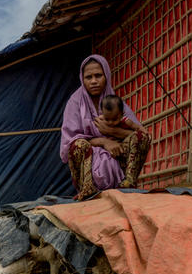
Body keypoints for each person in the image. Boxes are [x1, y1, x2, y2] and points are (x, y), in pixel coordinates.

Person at [60, 54, 152, 200]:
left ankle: (127, 184)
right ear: (82, 79)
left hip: (117, 155)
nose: (94, 81)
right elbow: (69, 141)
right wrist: (104, 142)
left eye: (98, 75)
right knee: (78, 145)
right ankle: (88, 189)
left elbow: (141, 132)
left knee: (142, 138)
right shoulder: (75, 102)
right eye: (88, 77)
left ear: (106, 76)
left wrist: (111, 131)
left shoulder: (114, 101)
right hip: (88, 163)